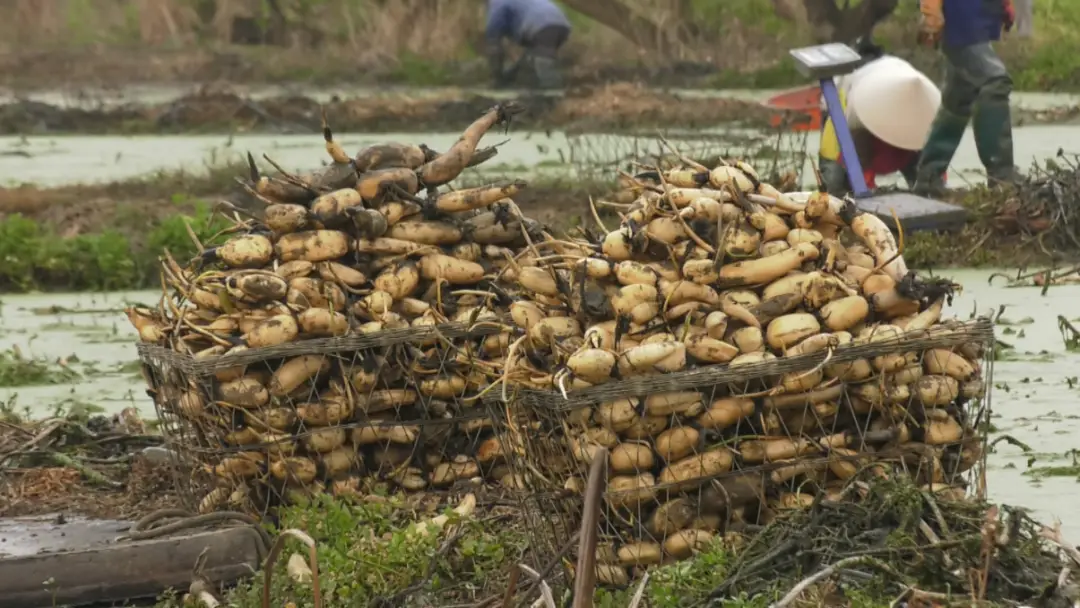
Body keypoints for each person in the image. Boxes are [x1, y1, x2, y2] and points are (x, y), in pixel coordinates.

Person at [913, 0, 1020, 195]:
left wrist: (1004, 6)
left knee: (959, 96)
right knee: (995, 82)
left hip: (977, 18)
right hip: (960, 20)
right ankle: (1001, 177)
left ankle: (929, 176)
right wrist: (931, 11)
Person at [818, 44, 943, 197]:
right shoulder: (846, 88)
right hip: (859, 123)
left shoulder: (899, 76)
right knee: (835, 184)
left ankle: (927, 191)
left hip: (902, 122)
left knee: (927, 181)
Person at [485, 0, 572, 90]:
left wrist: (496, 75)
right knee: (529, 62)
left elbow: (493, 42)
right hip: (562, 24)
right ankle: (534, 91)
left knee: (543, 62)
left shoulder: (497, 2)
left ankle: (552, 95)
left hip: (542, 24)